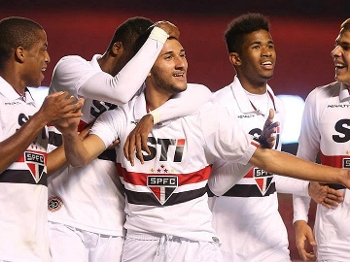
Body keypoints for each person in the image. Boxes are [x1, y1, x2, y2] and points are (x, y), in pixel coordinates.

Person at [55, 27, 350, 261]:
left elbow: (266, 158)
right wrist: (70, 133)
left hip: (195, 245)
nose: (181, 63)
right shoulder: (121, 117)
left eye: (182, 55)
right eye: (168, 57)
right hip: (139, 245)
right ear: (145, 67)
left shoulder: (205, 114)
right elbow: (80, 157)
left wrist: (337, 175)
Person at [47, 17, 212, 261]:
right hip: (62, 212)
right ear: (118, 48)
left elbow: (201, 93)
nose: (140, 67)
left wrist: (152, 117)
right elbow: (118, 90)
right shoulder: (73, 68)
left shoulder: (138, 94)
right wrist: (156, 37)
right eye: (141, 58)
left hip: (113, 220)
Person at [206, 13, 343, 262]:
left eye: (270, 45)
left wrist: (307, 188)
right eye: (256, 47)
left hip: (269, 239)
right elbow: (214, 186)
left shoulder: (277, 105)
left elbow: (267, 176)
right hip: (224, 242)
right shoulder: (217, 106)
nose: (267, 53)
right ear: (235, 58)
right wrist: (255, 153)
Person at [0, 16, 83, 262]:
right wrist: (41, 118)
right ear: (21, 53)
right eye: (43, 48)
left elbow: (38, 166)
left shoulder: (30, 103)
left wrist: (75, 133)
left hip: (34, 245)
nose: (48, 58)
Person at [293, 18, 350, 262]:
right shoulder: (319, 99)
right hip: (333, 239)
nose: (335, 52)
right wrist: (300, 219)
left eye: (346, 47)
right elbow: (302, 162)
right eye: (337, 45)